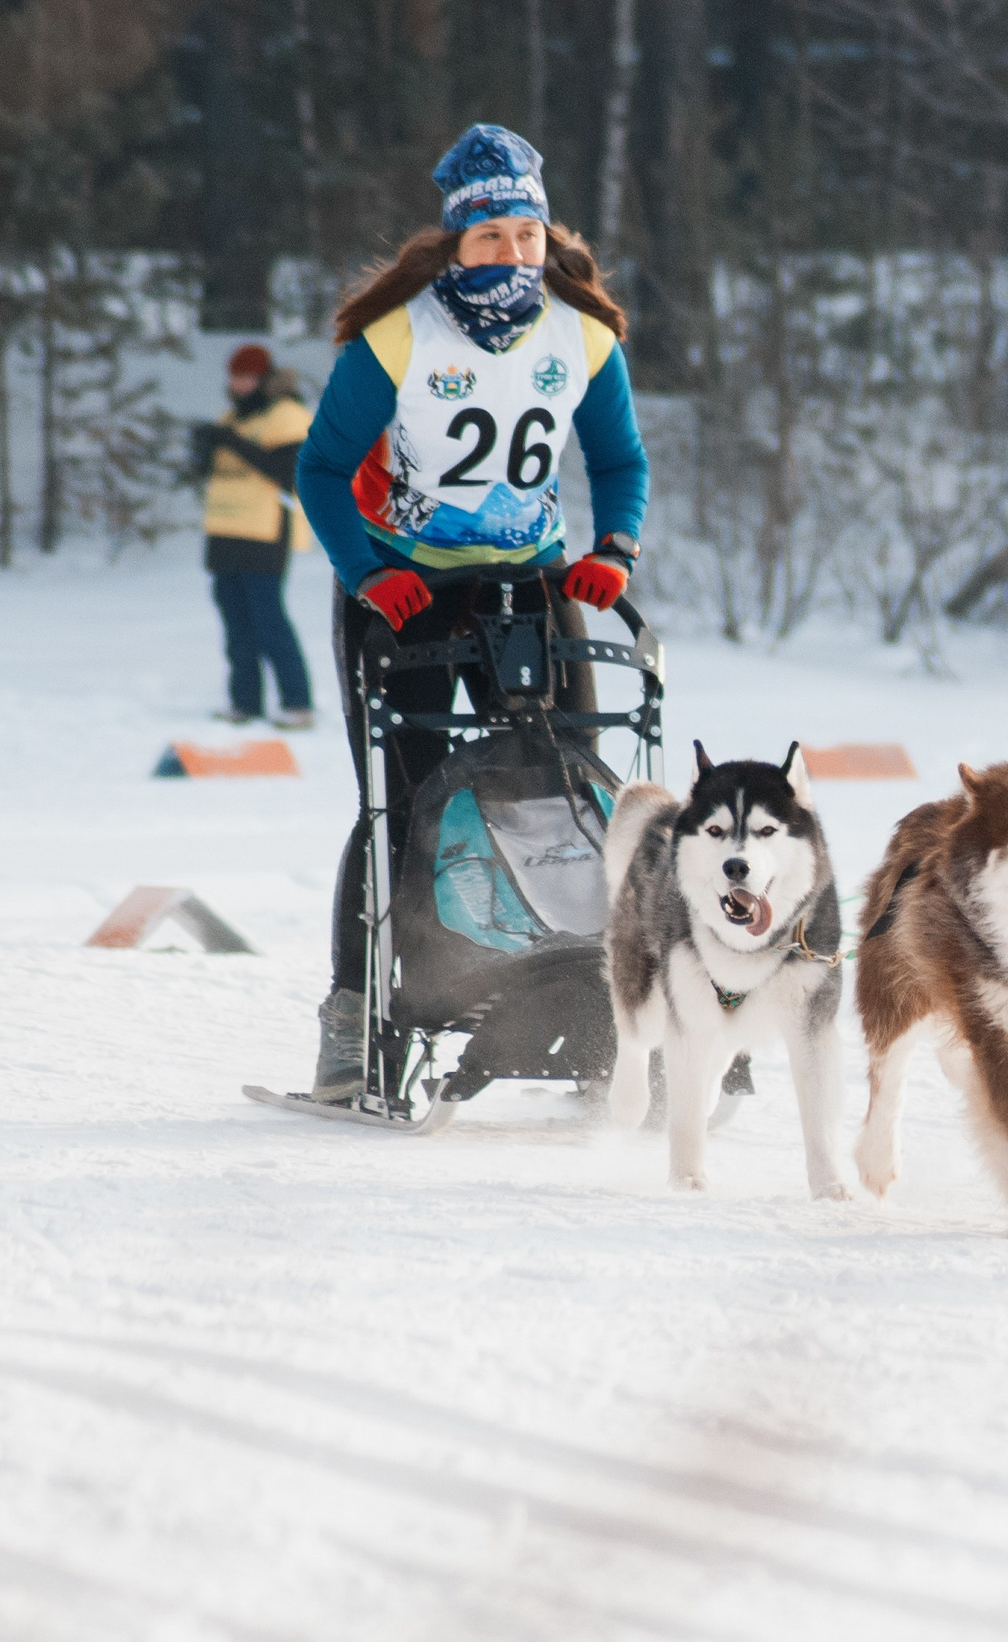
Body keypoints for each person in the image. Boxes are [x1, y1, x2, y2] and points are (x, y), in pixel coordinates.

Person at [292, 123, 648, 1103]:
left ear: (545, 235)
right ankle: (353, 1019)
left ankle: (585, 1008)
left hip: (531, 583)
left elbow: (618, 462)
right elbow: (321, 471)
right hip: (403, 590)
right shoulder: (400, 335)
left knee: (571, 787)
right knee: (401, 807)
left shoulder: (582, 334)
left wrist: (611, 549)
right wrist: (369, 573)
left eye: (524, 235)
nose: (511, 253)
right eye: (489, 237)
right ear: (455, 244)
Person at [195, 343, 316, 730]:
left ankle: (297, 702)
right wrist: (202, 447)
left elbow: (286, 472)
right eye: (235, 377)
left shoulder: (288, 415)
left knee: (268, 619)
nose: (240, 384)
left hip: (266, 534)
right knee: (234, 621)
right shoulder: (232, 416)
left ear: (265, 379)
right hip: (226, 533)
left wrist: (228, 441)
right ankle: (244, 701)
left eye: (248, 377)